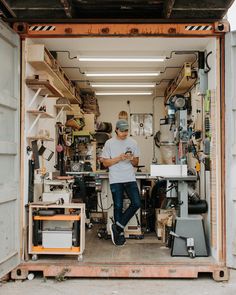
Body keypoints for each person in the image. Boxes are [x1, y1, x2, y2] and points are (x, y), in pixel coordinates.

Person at [101, 119, 141, 246]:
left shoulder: (133, 142)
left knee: (136, 203)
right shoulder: (109, 143)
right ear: (116, 130)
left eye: (126, 130)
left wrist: (131, 159)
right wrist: (119, 158)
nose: (125, 133)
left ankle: (117, 227)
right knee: (118, 206)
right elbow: (105, 163)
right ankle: (119, 235)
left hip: (129, 178)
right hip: (116, 178)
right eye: (122, 130)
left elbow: (136, 163)